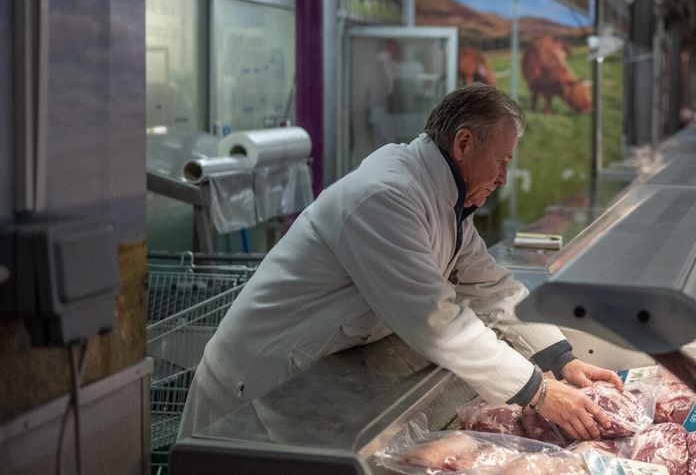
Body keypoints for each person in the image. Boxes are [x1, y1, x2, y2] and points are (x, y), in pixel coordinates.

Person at [180, 85, 622, 441]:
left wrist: (562, 360)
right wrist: (540, 392)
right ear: (464, 143)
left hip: (309, 378)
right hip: (252, 390)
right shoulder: (387, 197)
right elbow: (437, 322)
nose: (504, 177)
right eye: (502, 161)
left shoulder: (442, 200)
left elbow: (492, 287)